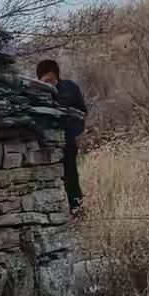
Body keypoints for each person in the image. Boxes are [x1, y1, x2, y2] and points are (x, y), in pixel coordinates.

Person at [36, 57, 88, 212]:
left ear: (57, 77)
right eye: (44, 81)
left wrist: (74, 131)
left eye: (50, 80)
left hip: (68, 139)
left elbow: (78, 111)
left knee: (70, 175)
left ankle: (77, 210)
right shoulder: (38, 91)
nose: (48, 84)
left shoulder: (69, 87)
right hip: (48, 141)